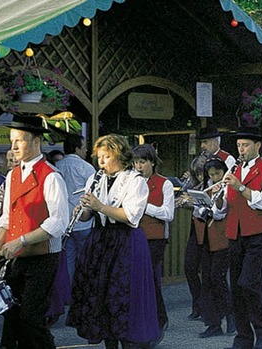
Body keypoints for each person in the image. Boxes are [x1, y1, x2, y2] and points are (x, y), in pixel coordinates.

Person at [66, 134, 159, 348]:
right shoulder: (95, 178)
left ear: (119, 155)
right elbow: (89, 215)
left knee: (123, 297)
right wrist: (82, 211)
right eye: (99, 157)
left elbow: (131, 216)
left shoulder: (135, 181)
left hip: (125, 241)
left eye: (106, 157)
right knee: (101, 295)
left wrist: (99, 206)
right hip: (101, 240)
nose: (101, 162)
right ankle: (108, 342)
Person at [0, 115, 69, 349]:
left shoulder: (51, 175)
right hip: (15, 255)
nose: (13, 147)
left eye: (19, 141)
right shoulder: (12, 175)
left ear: (35, 142)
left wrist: (21, 240)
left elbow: (58, 223)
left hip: (43, 256)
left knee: (32, 318)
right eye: (11, 141)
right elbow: (6, 218)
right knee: (11, 316)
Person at [216, 126, 262, 349]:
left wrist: (240, 186)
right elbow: (226, 205)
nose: (241, 150)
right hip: (235, 232)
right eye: (238, 146)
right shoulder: (234, 169)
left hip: (259, 233)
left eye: (245, 145)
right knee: (236, 286)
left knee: (248, 282)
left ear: (257, 146)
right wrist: (217, 201)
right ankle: (243, 338)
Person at [133, 143, 175, 343]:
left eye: (142, 162)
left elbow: (168, 214)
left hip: (155, 238)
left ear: (151, 162)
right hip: (134, 236)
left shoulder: (164, 183)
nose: (138, 167)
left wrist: (144, 206)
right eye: (135, 163)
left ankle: (159, 320)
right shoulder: (131, 182)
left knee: (149, 280)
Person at [193, 156, 234, 338]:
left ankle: (230, 314)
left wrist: (216, 200)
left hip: (222, 238)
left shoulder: (229, 186)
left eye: (218, 173)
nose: (215, 177)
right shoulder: (206, 187)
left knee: (218, 278)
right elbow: (198, 212)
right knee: (207, 280)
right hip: (206, 238)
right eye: (211, 174)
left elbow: (220, 213)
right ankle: (213, 323)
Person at [55, 134, 95, 282]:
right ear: (77, 148)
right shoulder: (87, 167)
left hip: (63, 221)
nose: (86, 151)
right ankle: (82, 293)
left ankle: (69, 294)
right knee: (85, 260)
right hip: (83, 221)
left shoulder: (56, 167)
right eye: (84, 147)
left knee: (68, 260)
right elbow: (94, 194)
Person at [180, 154, 209, 321]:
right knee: (189, 267)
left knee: (208, 272)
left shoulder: (213, 185)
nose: (200, 177)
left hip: (209, 229)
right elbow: (185, 199)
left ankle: (206, 306)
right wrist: (185, 202)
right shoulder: (195, 184)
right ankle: (197, 302)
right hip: (195, 227)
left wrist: (193, 202)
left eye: (201, 173)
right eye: (196, 174)